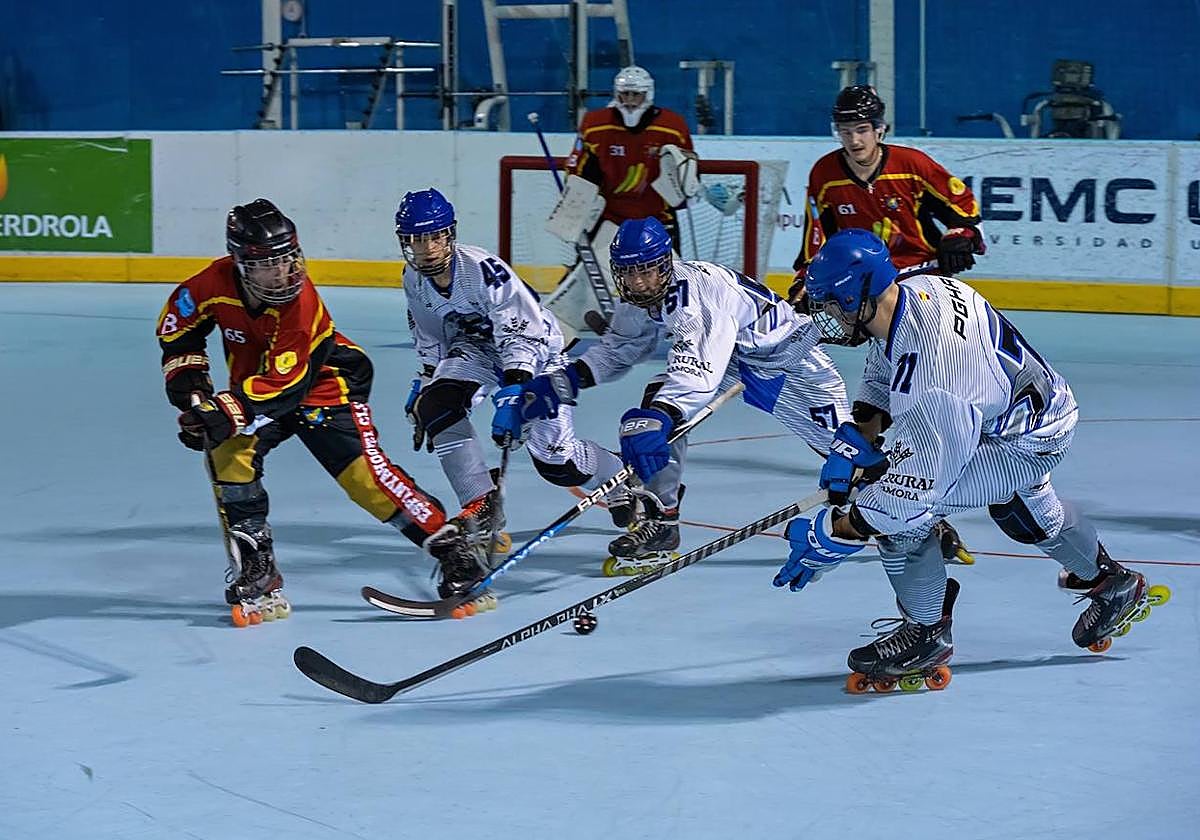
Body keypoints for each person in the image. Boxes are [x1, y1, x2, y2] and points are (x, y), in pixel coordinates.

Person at [773, 229, 1169, 690]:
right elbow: (886, 364)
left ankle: (925, 634)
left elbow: (907, 497)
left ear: (859, 296)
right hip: (1029, 410)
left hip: (1019, 440)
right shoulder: (918, 290)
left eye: (831, 306)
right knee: (1024, 512)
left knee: (898, 516)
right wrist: (858, 435)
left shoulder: (938, 382)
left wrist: (832, 535)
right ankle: (1108, 580)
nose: (826, 320)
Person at [156, 199, 482, 626]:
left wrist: (220, 413)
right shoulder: (209, 285)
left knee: (364, 479)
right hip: (255, 391)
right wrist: (191, 390)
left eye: (289, 259)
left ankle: (449, 546)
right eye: (268, 265)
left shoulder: (301, 301)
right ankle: (257, 564)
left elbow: (283, 386)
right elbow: (178, 333)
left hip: (324, 385)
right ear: (239, 264)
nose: (284, 272)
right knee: (228, 458)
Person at [509, 216, 851, 574]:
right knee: (658, 401)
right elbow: (622, 347)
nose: (638, 282)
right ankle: (662, 519)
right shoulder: (638, 297)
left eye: (646, 271)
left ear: (665, 264)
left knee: (850, 454)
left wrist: (659, 416)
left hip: (790, 363)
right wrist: (564, 381)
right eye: (628, 273)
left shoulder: (695, 299)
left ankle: (895, 512)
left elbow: (696, 377)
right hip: (735, 358)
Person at [398, 188, 635, 594]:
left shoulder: (483, 270)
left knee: (558, 463)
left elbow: (521, 337)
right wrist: (424, 383)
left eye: (435, 237)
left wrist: (515, 393)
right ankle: (481, 505)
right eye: (417, 240)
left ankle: (617, 474)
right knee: (437, 405)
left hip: (537, 356)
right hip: (474, 351)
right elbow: (431, 337)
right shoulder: (413, 280)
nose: (426, 248)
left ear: (450, 235)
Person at [544, 65, 715, 341]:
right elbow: (580, 171)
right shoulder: (595, 124)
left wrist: (687, 182)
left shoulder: (672, 127)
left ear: (648, 95)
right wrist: (578, 204)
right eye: (625, 95)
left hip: (658, 220)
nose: (630, 101)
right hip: (611, 218)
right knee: (583, 280)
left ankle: (687, 332)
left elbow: (687, 176)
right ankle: (555, 333)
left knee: (674, 281)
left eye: (635, 95)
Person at [790, 85, 985, 301]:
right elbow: (816, 234)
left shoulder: (912, 165)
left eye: (862, 130)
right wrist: (807, 276)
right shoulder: (824, 174)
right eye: (845, 131)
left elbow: (963, 204)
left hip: (921, 271)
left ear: (878, 129)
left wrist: (963, 235)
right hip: (861, 277)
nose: (854, 140)